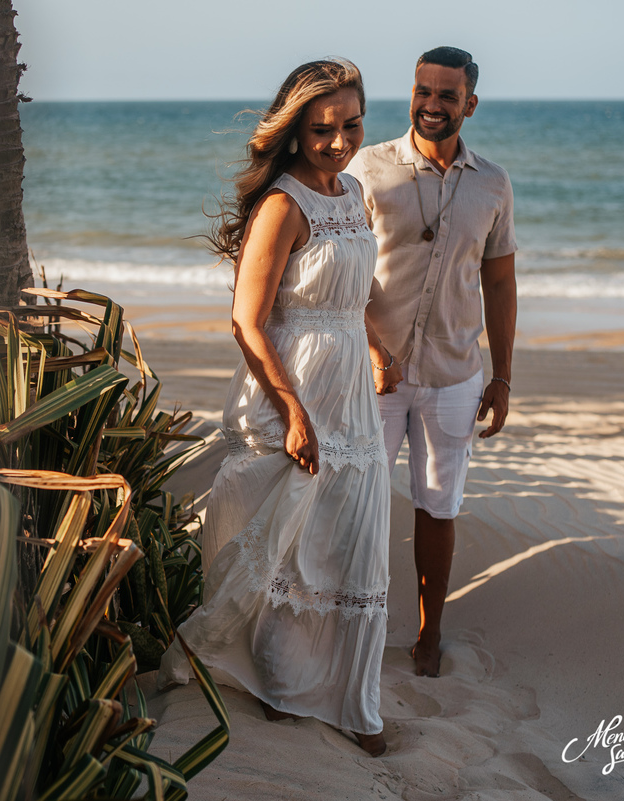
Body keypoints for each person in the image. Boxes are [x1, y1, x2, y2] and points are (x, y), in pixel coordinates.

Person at [158, 58, 402, 758]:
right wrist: (293, 411)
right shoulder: (282, 205)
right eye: (322, 129)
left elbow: (353, 291)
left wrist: (378, 346)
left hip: (349, 397)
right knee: (285, 552)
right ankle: (282, 688)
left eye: (351, 124)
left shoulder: (353, 191)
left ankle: (349, 700)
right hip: (292, 394)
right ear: (295, 131)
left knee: (348, 544)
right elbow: (247, 320)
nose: (338, 141)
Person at [346, 46, 517, 678]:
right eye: (424, 91)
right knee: (357, 505)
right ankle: (349, 628)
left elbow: (500, 283)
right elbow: (344, 271)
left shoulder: (492, 183)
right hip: (376, 374)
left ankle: (429, 634)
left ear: (470, 105)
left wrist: (502, 376)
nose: (432, 105)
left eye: (448, 95)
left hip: (454, 375)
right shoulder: (367, 168)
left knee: (438, 506)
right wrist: (371, 348)